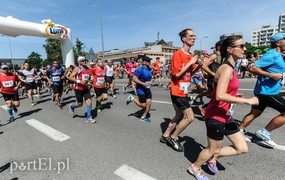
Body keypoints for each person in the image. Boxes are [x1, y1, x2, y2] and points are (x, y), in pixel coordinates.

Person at [187, 35, 259, 180]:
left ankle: (213, 157)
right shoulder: (226, 68)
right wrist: (247, 101)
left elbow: (220, 91)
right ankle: (195, 167)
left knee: (242, 148)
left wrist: (233, 94)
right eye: (241, 46)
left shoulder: (231, 68)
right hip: (215, 115)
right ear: (230, 49)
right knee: (212, 148)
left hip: (226, 114)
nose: (244, 49)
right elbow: (219, 96)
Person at [239, 32, 285, 147]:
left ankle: (239, 131)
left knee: (255, 112)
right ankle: (264, 133)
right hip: (268, 91)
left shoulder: (278, 55)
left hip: (266, 90)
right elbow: (252, 68)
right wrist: (271, 76)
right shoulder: (272, 54)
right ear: (278, 43)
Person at [160, 28, 198, 152]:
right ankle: (173, 137)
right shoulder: (178, 54)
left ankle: (165, 135)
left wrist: (200, 65)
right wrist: (191, 62)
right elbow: (176, 74)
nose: (194, 38)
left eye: (194, 36)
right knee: (190, 117)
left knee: (179, 114)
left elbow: (190, 72)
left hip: (184, 90)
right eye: (191, 36)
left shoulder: (191, 56)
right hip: (177, 91)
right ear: (184, 38)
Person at [68, 56, 96, 123]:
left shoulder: (88, 69)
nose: (85, 61)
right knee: (80, 104)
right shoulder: (78, 69)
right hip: (78, 89)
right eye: (83, 60)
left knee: (89, 102)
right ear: (79, 62)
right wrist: (79, 81)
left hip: (86, 88)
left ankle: (89, 117)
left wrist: (90, 80)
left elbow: (88, 77)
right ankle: (72, 106)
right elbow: (70, 77)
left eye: (85, 60)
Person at [125, 56, 153, 122]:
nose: (150, 62)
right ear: (144, 62)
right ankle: (132, 98)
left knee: (149, 103)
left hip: (147, 89)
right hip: (141, 90)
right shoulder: (140, 69)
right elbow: (134, 79)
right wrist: (143, 84)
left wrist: (154, 76)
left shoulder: (149, 69)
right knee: (144, 105)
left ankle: (143, 117)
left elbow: (149, 76)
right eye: (148, 61)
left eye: (150, 61)